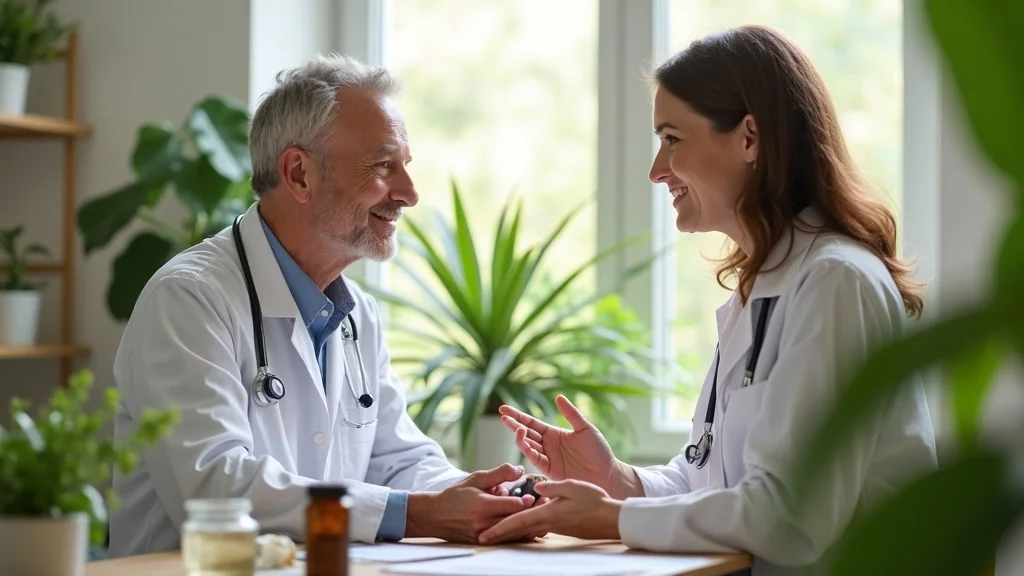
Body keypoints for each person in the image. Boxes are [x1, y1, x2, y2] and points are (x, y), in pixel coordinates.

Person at [479, 25, 938, 576]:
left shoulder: (836, 282)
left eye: (672, 138)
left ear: (750, 138)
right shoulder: (764, 288)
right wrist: (616, 480)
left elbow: (791, 519)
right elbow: (708, 482)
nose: (656, 170)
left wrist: (613, 518)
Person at [107, 54, 537, 557]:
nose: (409, 194)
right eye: (382, 166)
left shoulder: (359, 316)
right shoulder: (188, 300)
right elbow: (215, 489)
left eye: (405, 167)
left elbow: (397, 458)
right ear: (299, 174)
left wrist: (484, 495)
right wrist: (417, 513)